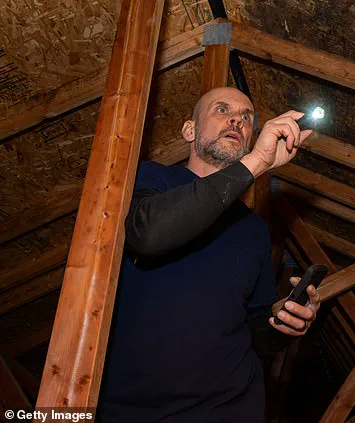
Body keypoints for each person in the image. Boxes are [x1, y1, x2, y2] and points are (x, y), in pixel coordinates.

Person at [97, 87, 320, 423]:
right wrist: (257, 162)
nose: (237, 120)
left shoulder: (254, 229)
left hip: (231, 409)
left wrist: (285, 322)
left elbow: (256, 330)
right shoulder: (152, 179)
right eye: (222, 110)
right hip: (131, 409)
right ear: (190, 130)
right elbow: (148, 235)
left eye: (247, 117)